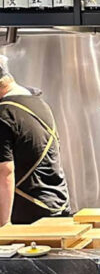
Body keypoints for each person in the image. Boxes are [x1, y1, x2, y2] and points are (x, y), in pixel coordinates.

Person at [0, 58, 69, 226]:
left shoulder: (4, 114)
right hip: (57, 206)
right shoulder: (40, 104)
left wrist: (4, 225)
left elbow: (5, 172)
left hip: (27, 216)